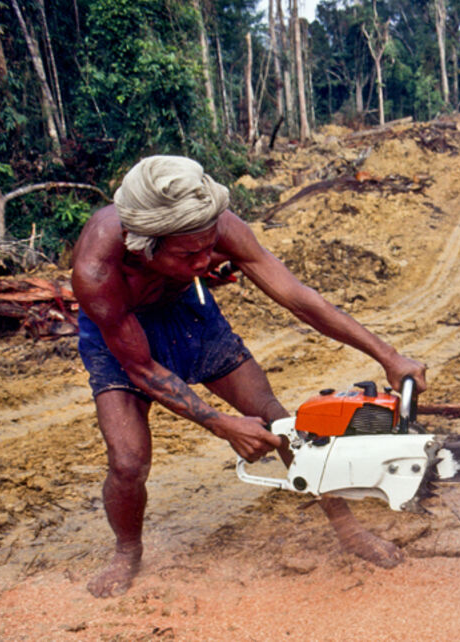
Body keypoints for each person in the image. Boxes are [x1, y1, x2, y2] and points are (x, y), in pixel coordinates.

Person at [70, 155, 426, 598]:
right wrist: (219, 423)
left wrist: (387, 355)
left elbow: (299, 298)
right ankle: (127, 551)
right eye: (189, 254)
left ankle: (348, 530)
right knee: (127, 461)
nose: (207, 260)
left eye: (209, 246)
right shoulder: (97, 270)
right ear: (145, 245)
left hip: (189, 313)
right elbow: (141, 367)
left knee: (282, 425)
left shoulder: (217, 226)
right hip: (120, 330)